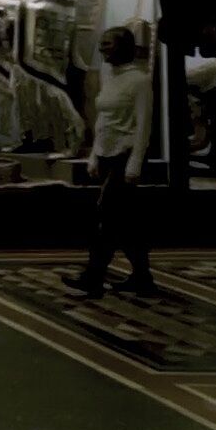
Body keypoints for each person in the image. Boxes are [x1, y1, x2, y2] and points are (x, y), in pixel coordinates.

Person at [64, 27, 157, 298]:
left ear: (123, 47)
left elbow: (143, 126)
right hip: (106, 154)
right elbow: (102, 120)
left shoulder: (139, 81)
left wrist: (135, 163)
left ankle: (93, 276)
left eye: (108, 44)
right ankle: (143, 277)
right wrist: (94, 154)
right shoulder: (109, 76)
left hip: (125, 156)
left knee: (105, 215)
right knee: (124, 222)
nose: (102, 48)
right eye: (101, 44)